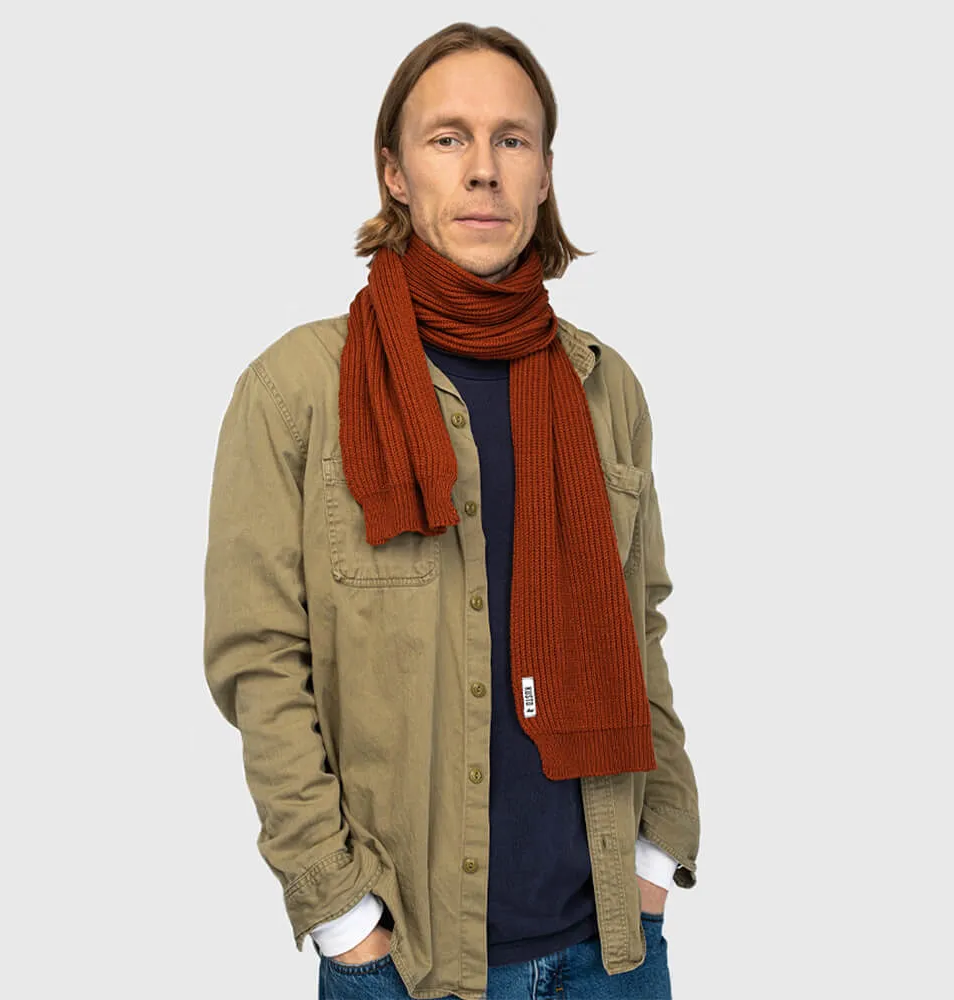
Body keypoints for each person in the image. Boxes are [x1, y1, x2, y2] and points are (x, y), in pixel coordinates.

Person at [203, 21, 700, 1000]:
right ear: (394, 173)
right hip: (410, 962)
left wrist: (658, 850)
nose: (483, 169)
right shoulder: (297, 390)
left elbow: (639, 627)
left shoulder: (605, 388)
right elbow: (259, 663)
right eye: (448, 138)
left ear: (544, 174)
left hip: (613, 946)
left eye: (512, 139)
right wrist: (344, 918)